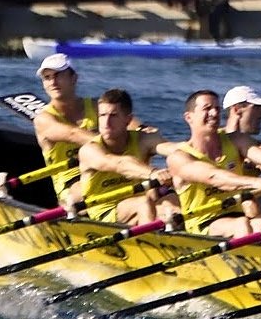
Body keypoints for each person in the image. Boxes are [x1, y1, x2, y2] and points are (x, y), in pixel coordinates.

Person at [164, 89, 261, 237]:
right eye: (207, 109)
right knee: (241, 224)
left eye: (217, 109)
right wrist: (257, 182)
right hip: (205, 224)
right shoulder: (178, 158)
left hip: (239, 215)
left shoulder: (236, 140)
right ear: (189, 117)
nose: (214, 113)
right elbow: (214, 177)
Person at [74, 88, 175, 225]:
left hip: (138, 208)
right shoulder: (89, 150)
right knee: (144, 203)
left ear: (128, 120)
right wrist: (153, 173)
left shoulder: (143, 139)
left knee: (172, 201)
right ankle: (148, 243)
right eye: (102, 115)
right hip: (104, 213)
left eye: (113, 115)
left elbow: (171, 148)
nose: (106, 122)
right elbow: (120, 164)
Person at [31, 53, 98, 206]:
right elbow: (73, 134)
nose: (53, 82)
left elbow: (126, 119)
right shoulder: (43, 120)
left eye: (58, 76)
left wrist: (142, 131)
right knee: (89, 187)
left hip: (106, 172)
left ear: (74, 78)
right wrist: (111, 142)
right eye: (47, 78)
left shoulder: (96, 106)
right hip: (71, 184)